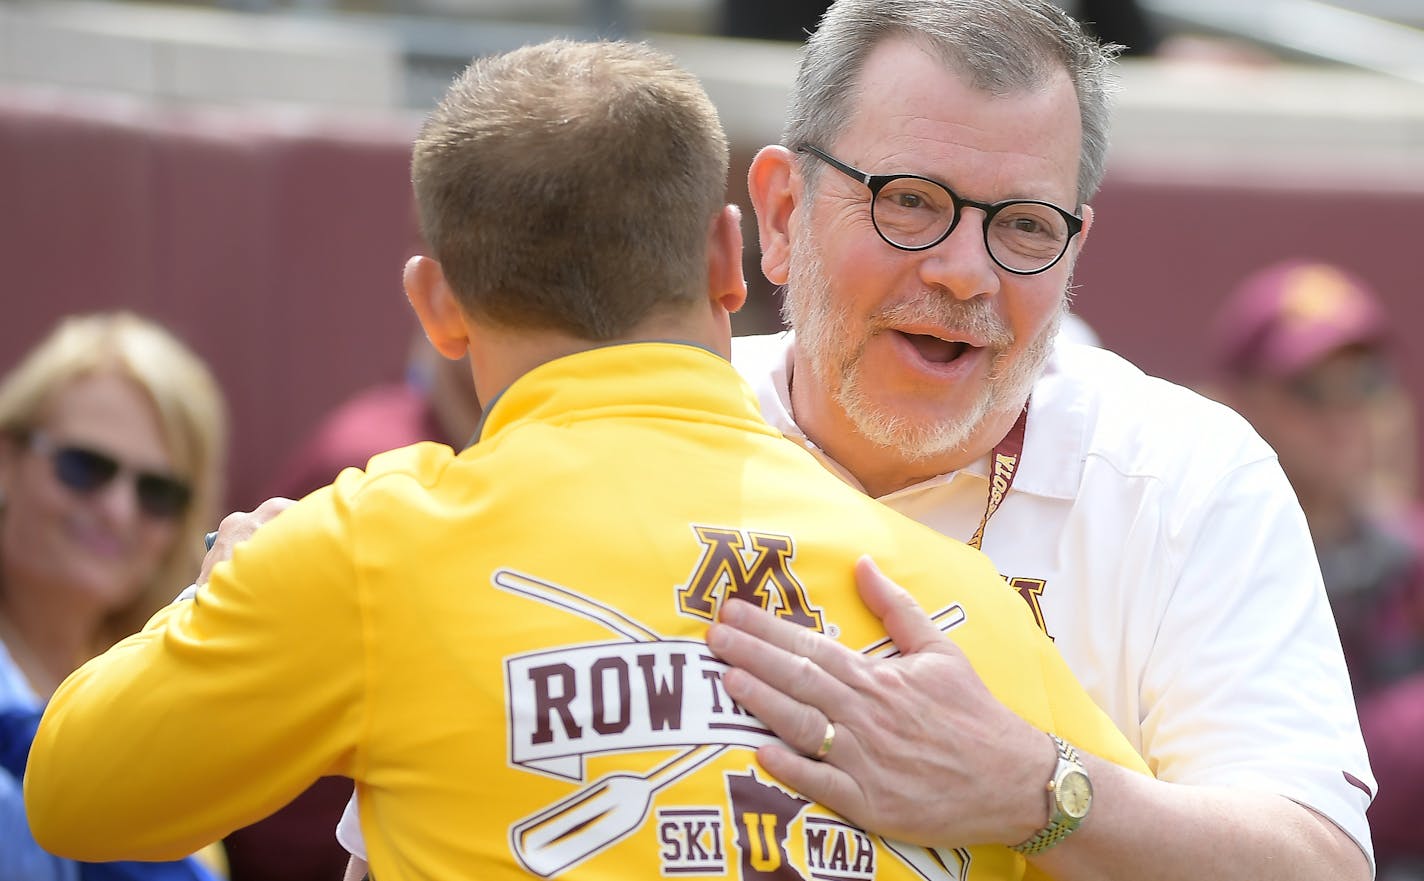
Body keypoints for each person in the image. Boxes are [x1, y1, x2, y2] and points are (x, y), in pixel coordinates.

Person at [26, 38, 1148, 880]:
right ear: (725, 258)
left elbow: (72, 793)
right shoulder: (949, 600)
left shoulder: (366, 550)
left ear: (437, 307)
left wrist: (237, 580)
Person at [709, 1, 1373, 880]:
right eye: (909, 202)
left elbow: (1318, 862)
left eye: (1024, 224)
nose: (965, 271)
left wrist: (1034, 789)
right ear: (784, 213)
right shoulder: (660, 430)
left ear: (1075, 247)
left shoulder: (1185, 475)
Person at [1210, 259, 1424, 877]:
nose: (1344, 414)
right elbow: (1306, 785)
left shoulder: (1406, 554)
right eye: (1312, 390)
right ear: (1237, 401)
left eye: (1367, 383)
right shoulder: (1216, 558)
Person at [0, 312, 227, 881]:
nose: (118, 510)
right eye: (84, 467)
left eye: (157, 492)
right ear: (6, 460)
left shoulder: (173, 696)